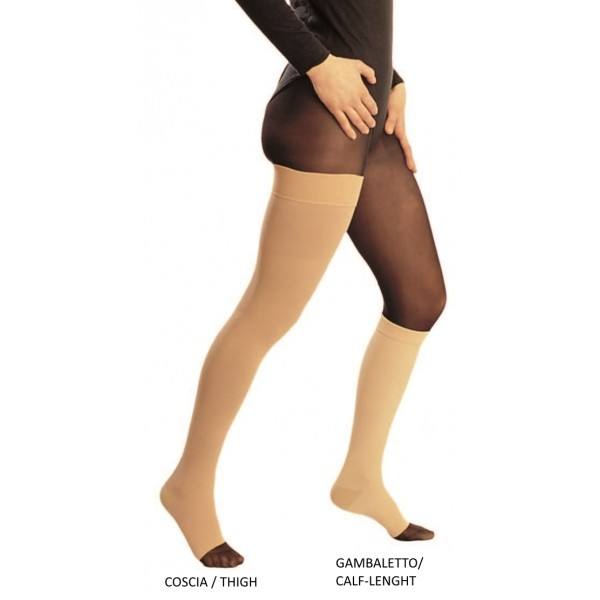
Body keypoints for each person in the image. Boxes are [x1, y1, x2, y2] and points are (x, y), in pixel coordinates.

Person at [160, 0, 446, 568]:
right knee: (268, 313)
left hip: (364, 112)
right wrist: (318, 64)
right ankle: (188, 484)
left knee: (419, 299)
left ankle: (360, 478)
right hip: (323, 117)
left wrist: (393, 78)